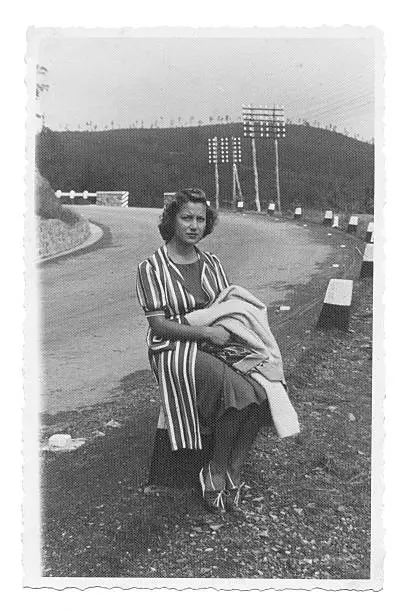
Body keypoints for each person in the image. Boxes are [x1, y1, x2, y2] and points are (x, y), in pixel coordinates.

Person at [136, 188, 282, 514]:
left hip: (216, 341)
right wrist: (204, 331)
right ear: (171, 220)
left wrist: (231, 333)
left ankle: (234, 468)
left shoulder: (212, 263)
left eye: (200, 219)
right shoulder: (152, 268)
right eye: (186, 217)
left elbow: (230, 308)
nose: (194, 225)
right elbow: (159, 326)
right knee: (236, 390)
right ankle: (214, 469)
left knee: (262, 387)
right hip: (173, 348)